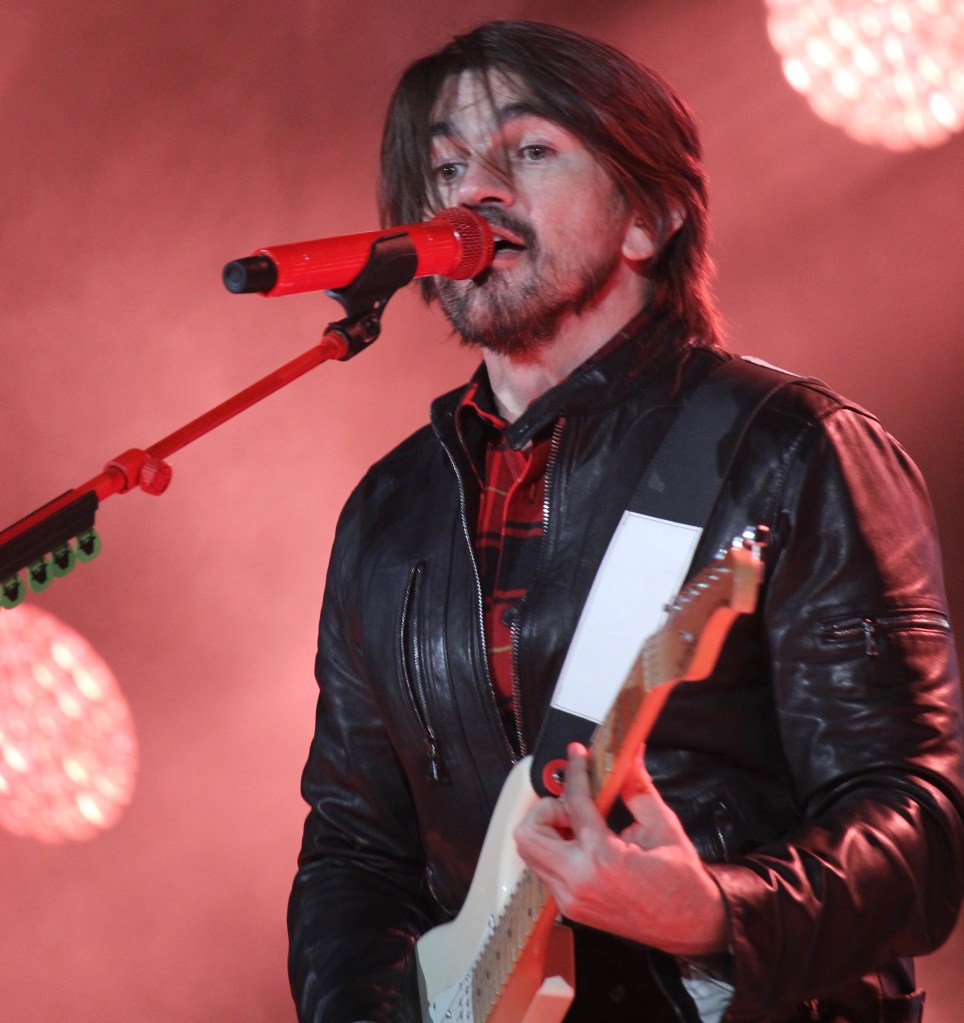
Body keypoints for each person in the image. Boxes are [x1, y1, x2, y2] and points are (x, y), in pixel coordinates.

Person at [287, 20, 964, 1023]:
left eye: (528, 150)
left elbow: (919, 832)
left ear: (649, 216)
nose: (475, 193)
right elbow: (352, 848)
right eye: (448, 167)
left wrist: (713, 914)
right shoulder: (390, 513)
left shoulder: (786, 452)